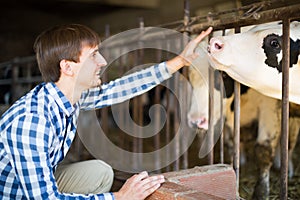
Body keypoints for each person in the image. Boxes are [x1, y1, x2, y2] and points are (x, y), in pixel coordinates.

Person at [0, 24, 212, 199]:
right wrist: (120, 197)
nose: (102, 62)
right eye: (93, 55)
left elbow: (121, 88)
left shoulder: (69, 97)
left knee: (100, 172)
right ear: (68, 67)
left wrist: (179, 62)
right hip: (13, 195)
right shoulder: (32, 122)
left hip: (28, 187)